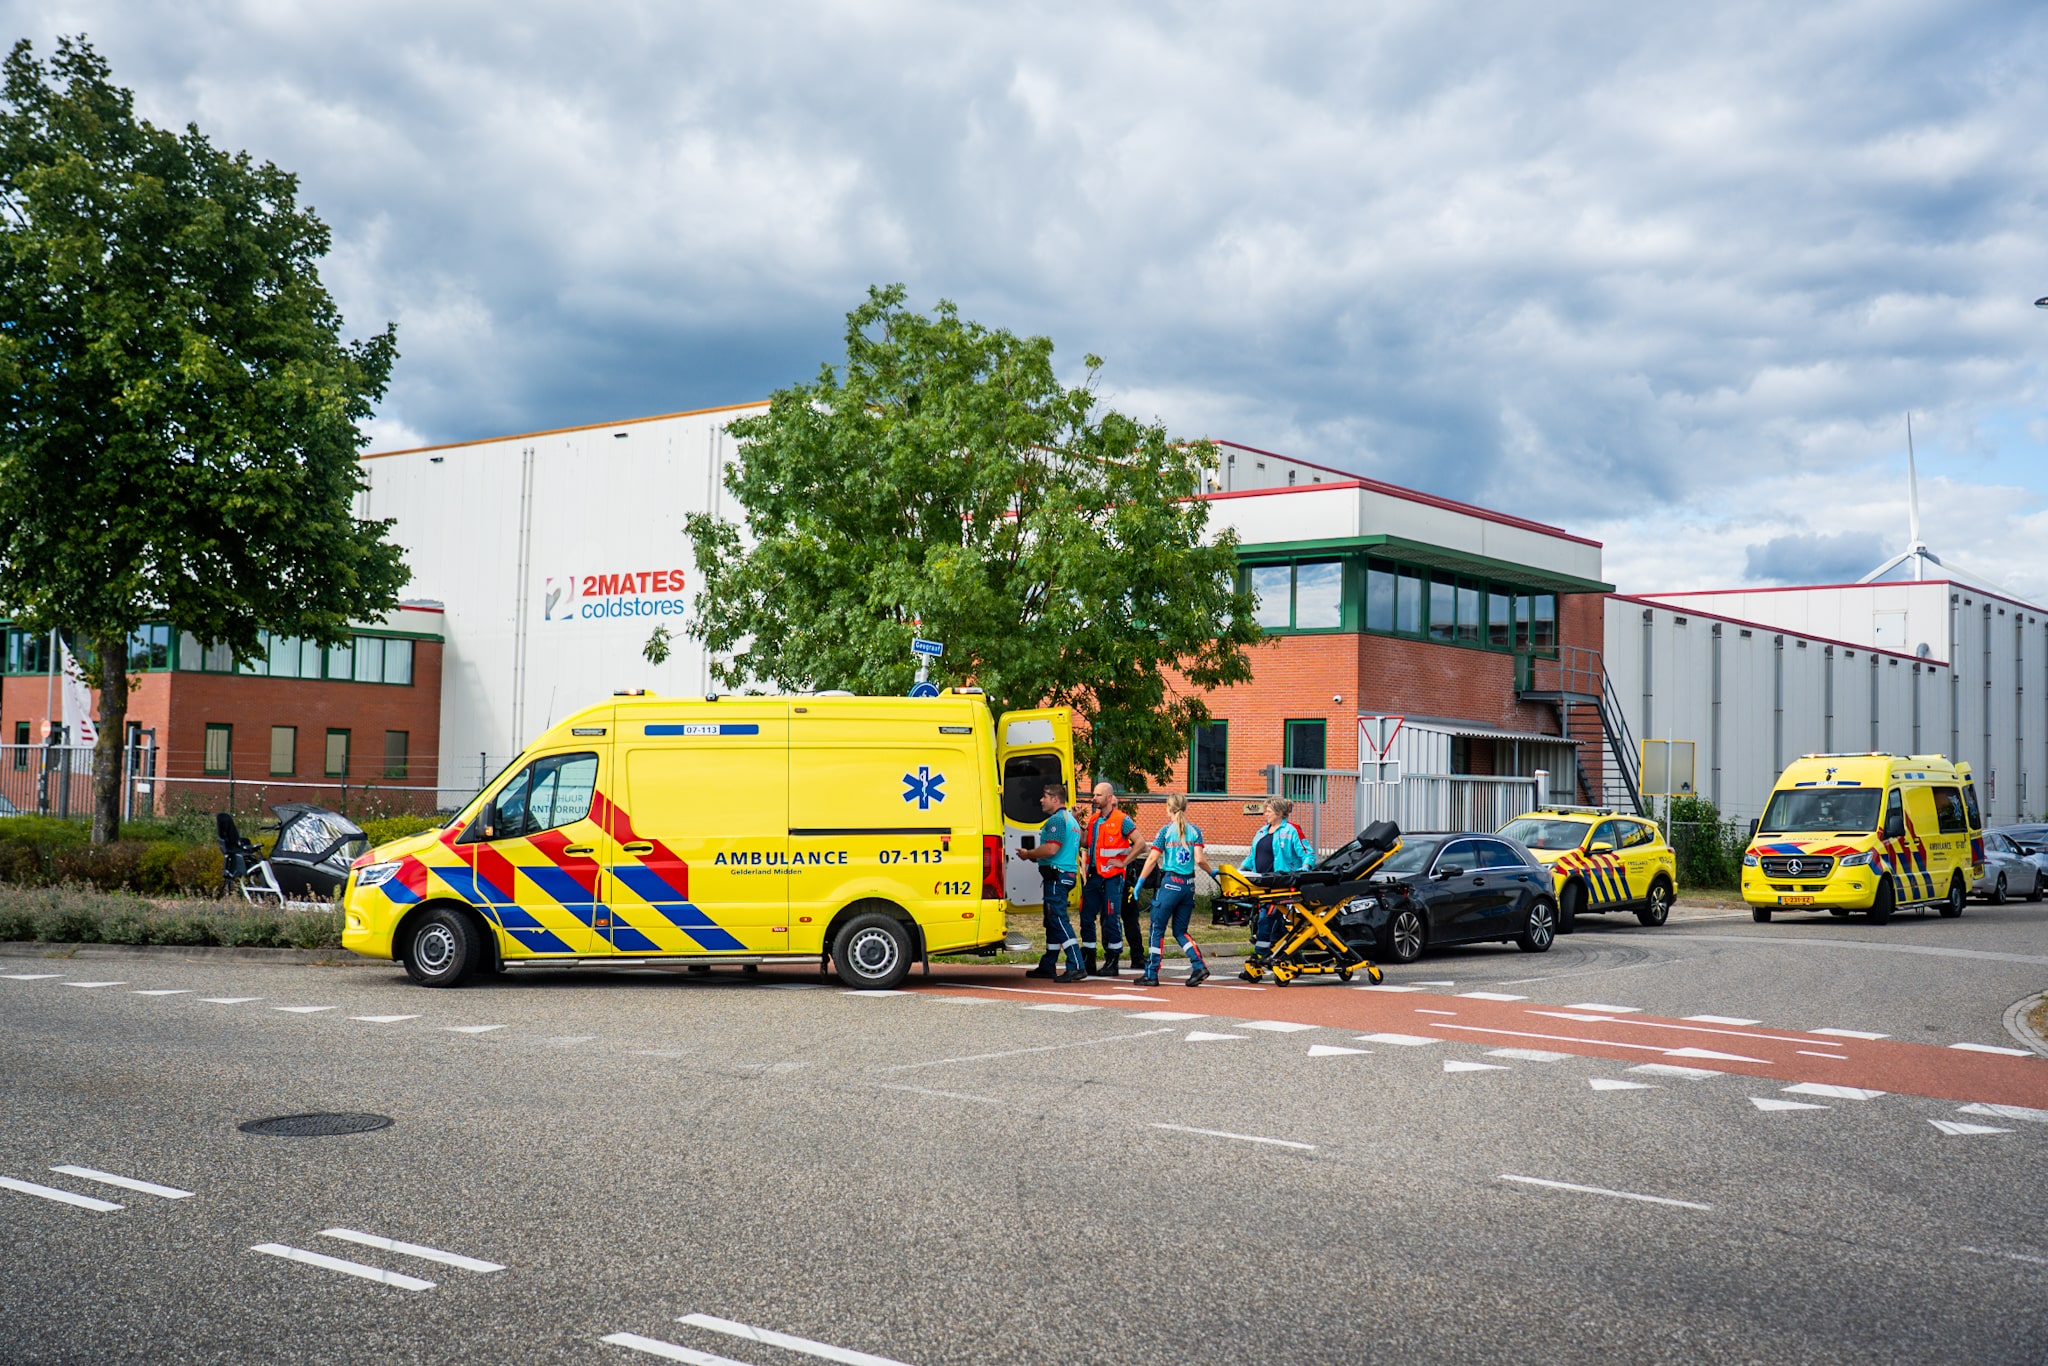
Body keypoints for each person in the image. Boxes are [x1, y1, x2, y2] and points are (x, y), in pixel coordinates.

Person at [1131, 793, 1213, 987]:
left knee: (1156, 929)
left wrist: (1140, 883)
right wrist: (1213, 872)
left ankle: (1151, 973)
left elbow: (1152, 859)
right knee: (1180, 930)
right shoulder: (1195, 831)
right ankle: (1198, 964)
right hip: (1189, 886)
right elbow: (1200, 860)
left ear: (1169, 808)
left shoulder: (1166, 831)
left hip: (1170, 884)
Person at [1017, 781, 1087, 983]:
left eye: (1044, 796)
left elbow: (1051, 849)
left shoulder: (1057, 820)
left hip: (1057, 876)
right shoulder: (1071, 821)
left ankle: (1076, 964)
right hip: (1063, 875)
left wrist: (1029, 853)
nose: (1041, 800)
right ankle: (1048, 964)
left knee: (1057, 919)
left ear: (1055, 799)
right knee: (1052, 921)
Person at [1244, 796, 1314, 979]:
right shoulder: (1261, 832)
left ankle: (1260, 957)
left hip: (1281, 885)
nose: (1265, 813)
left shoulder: (1291, 831)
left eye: (1268, 810)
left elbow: (1308, 854)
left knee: (1265, 919)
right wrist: (1238, 872)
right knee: (1277, 925)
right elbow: (1252, 857)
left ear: (1279, 813)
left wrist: (1302, 871)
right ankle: (1295, 955)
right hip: (1262, 884)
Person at [1079, 781, 1138, 976]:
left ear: (1109, 798)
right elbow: (1085, 843)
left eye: (1098, 795)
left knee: (1112, 918)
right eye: (1094, 795)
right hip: (1094, 876)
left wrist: (1124, 862)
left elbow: (1141, 844)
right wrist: (1080, 825)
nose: (1093, 798)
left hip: (1113, 877)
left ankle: (1113, 960)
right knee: (1086, 916)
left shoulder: (1123, 820)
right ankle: (1089, 957)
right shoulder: (1094, 820)